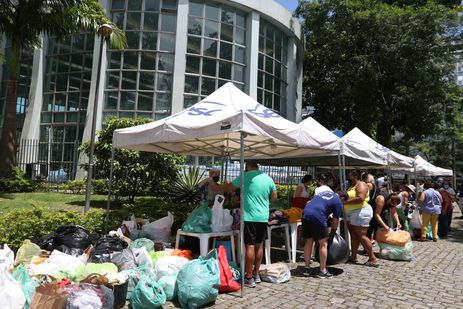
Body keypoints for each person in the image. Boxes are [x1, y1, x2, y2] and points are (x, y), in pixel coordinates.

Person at [225, 161, 277, 288]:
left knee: (249, 246)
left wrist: (222, 184)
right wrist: (264, 203)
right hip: (263, 217)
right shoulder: (268, 178)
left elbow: (229, 188)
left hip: (250, 217)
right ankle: (256, 274)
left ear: (248, 166)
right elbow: (274, 197)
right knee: (259, 246)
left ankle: (248, 277)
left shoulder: (246, 176)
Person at [301, 191, 344, 278]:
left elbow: (309, 202)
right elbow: (336, 220)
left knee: (309, 241)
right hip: (318, 216)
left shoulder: (324, 193)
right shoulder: (339, 202)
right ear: (342, 198)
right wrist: (333, 231)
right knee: (323, 243)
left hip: (305, 214)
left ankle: (307, 268)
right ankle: (322, 271)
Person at [344, 171, 377, 267]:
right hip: (352, 213)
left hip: (360, 211)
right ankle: (353, 256)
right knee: (354, 235)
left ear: (355, 176)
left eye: (349, 176)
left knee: (361, 235)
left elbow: (361, 198)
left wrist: (345, 201)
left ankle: (372, 257)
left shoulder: (361, 184)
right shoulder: (352, 186)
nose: (348, 178)